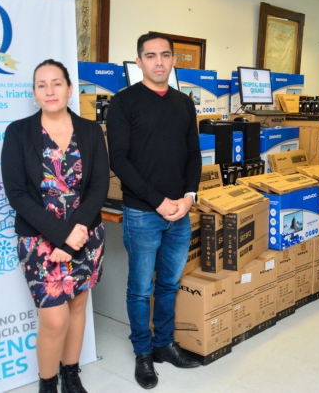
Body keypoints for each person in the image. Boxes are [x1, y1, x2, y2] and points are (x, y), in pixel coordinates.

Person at [1, 60, 109, 393]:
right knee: (54, 319)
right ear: (34, 93)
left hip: (86, 235)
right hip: (39, 240)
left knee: (77, 307)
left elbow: (99, 186)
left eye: (57, 83)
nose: (49, 91)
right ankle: (48, 384)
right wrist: (63, 236)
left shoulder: (90, 131)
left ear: (69, 89)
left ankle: (71, 375)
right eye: (41, 85)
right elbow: (17, 194)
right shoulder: (18, 133)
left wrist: (75, 234)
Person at [106, 32, 202, 389]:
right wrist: (158, 201)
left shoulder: (183, 102)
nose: (159, 62)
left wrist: (189, 197)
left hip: (180, 212)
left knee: (169, 284)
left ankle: (164, 344)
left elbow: (193, 154)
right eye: (150, 56)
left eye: (165, 55)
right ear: (139, 61)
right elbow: (119, 160)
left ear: (174, 59)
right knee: (140, 289)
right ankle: (143, 353)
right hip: (143, 213)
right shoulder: (123, 102)